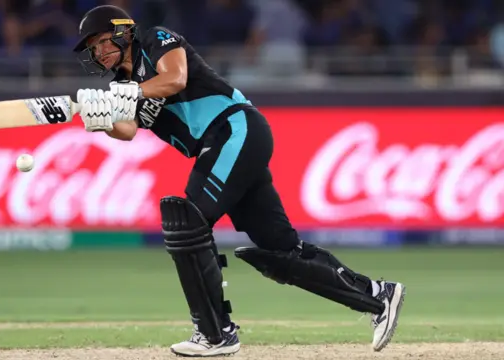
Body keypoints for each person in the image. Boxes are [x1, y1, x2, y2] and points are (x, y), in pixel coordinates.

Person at [73, 5, 406, 358]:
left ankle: (215, 333)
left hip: (234, 128)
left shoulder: (155, 39)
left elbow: (176, 78)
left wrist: (133, 93)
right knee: (281, 252)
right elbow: (127, 130)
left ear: (123, 33)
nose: (99, 53)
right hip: (223, 145)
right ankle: (378, 296)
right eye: (93, 49)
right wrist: (99, 118)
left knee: (187, 220)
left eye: (102, 43)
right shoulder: (121, 85)